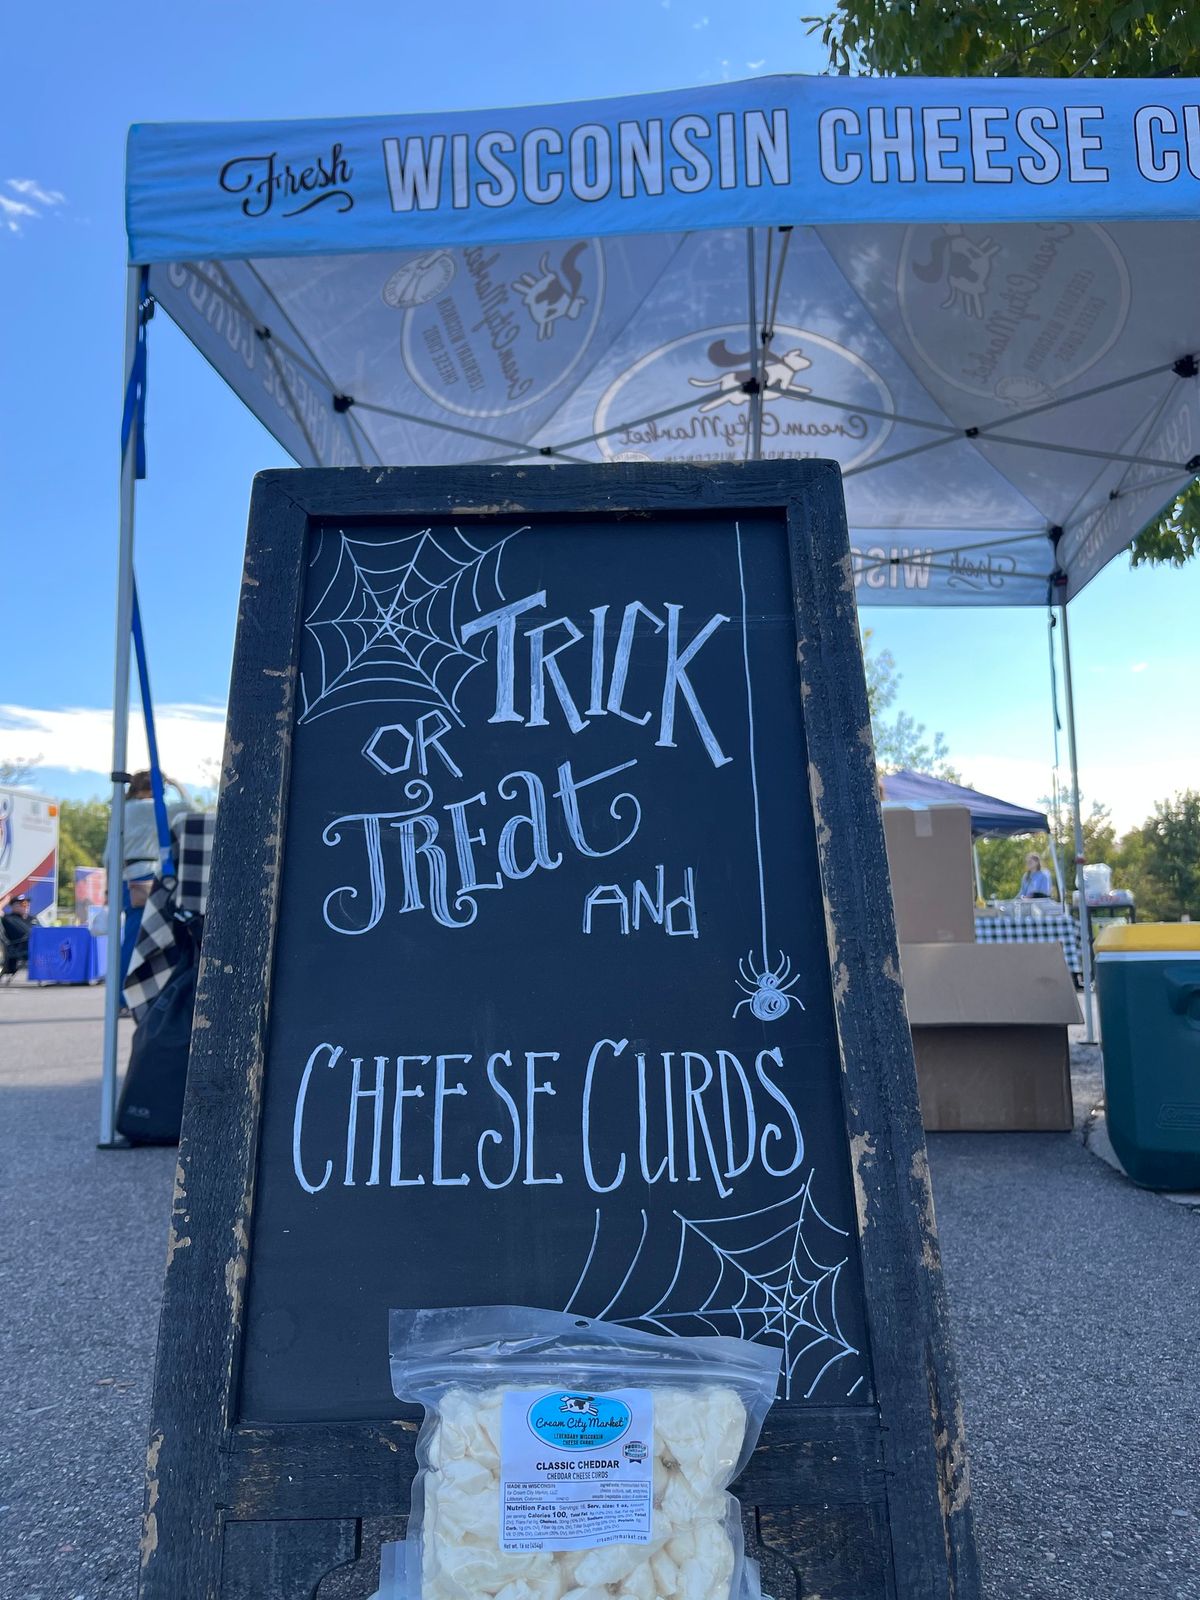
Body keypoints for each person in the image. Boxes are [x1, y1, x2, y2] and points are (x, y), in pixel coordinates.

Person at [120, 770, 194, 983]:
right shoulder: (157, 809)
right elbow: (191, 809)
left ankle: (122, 994)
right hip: (151, 873)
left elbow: (109, 853)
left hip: (128, 877)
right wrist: (177, 784)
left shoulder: (122, 810)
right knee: (154, 935)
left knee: (131, 936)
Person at [1, 892, 35, 974]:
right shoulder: (8, 918)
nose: (27, 906)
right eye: (23, 903)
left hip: (39, 944)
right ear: (14, 906)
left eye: (28, 903)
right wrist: (6, 900)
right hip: (23, 948)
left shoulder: (32, 919)